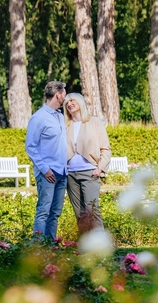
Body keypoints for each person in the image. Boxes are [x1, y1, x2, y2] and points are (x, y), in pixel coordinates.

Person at [63, 92, 111, 232]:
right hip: (71, 174)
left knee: (92, 211)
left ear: (80, 102)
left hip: (90, 172)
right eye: (67, 103)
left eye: (72, 101)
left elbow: (105, 149)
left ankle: (101, 248)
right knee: (80, 214)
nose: (69, 104)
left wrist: (100, 168)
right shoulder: (66, 125)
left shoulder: (94, 122)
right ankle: (85, 248)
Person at [25, 80, 68, 239]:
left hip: (62, 172)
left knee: (55, 213)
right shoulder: (38, 118)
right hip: (47, 173)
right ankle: (38, 249)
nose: (65, 97)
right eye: (64, 94)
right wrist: (45, 169)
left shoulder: (61, 117)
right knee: (44, 211)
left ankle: (50, 248)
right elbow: (30, 146)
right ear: (58, 94)